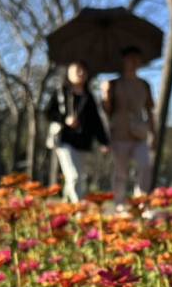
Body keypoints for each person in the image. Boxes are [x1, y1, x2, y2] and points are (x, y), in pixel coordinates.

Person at [100, 46, 156, 210]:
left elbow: (150, 110)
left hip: (140, 134)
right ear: (123, 61)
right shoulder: (113, 83)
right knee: (120, 172)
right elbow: (107, 111)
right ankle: (119, 205)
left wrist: (154, 134)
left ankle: (142, 204)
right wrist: (105, 96)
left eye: (136, 59)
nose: (133, 62)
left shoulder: (144, 84)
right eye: (130, 59)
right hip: (119, 133)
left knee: (145, 166)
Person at [45, 61, 109, 203]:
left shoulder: (89, 97)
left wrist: (103, 141)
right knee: (73, 175)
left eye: (84, 71)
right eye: (77, 70)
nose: (81, 73)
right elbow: (49, 113)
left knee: (79, 176)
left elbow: (96, 122)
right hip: (64, 140)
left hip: (83, 142)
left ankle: (66, 207)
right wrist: (65, 120)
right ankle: (78, 208)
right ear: (69, 72)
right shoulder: (61, 92)